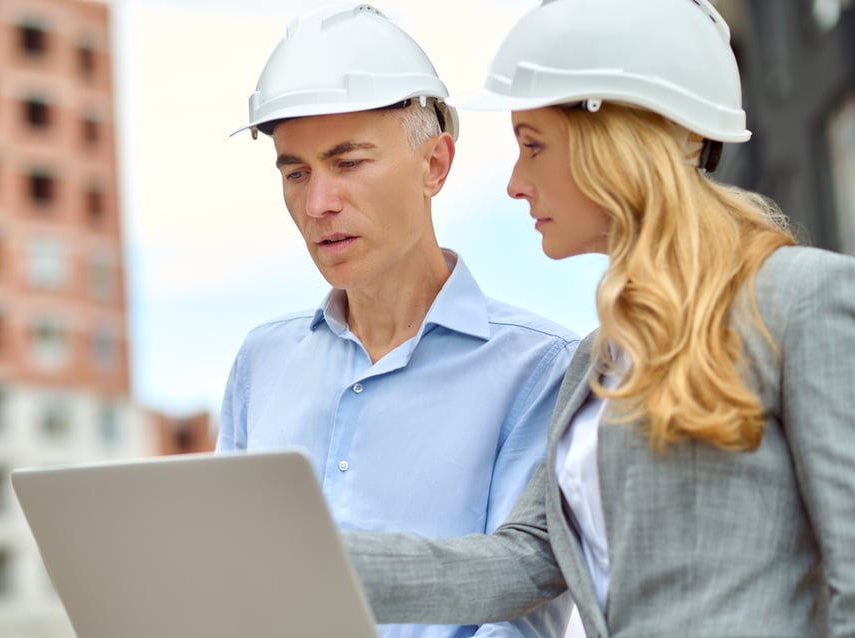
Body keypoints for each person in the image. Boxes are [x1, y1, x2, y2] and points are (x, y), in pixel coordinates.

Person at [342, 0, 855, 635]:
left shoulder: (801, 299)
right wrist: (314, 556)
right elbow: (527, 563)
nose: (514, 183)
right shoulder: (597, 358)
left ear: (611, 142)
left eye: (533, 146)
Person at [219, 5, 578, 638]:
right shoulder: (262, 361)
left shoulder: (542, 367)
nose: (317, 204)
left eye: (349, 163)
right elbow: (230, 579)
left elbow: (521, 615)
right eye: (295, 172)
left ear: (435, 165)